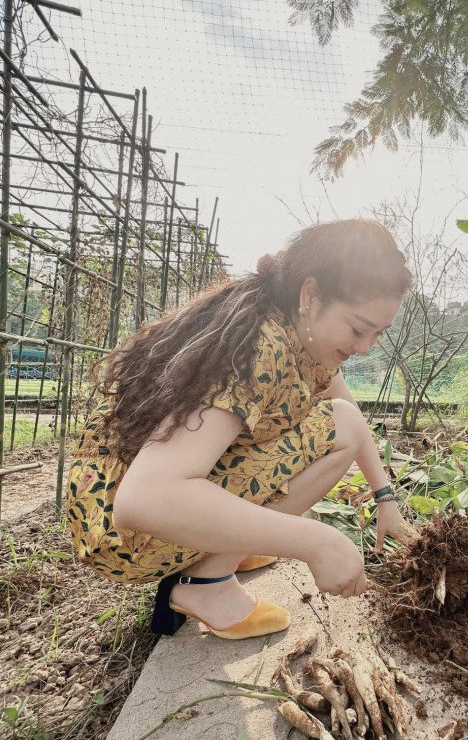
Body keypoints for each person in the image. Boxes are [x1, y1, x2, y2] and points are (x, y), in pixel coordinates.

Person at [67, 218, 415, 641]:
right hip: (124, 532)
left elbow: (349, 420)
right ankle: (208, 584)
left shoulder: (307, 337)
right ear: (310, 296)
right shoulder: (257, 347)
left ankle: (224, 550)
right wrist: (316, 542)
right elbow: (144, 499)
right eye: (358, 329)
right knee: (335, 432)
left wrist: (385, 498)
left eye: (377, 334)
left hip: (146, 502)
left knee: (340, 424)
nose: (363, 347)